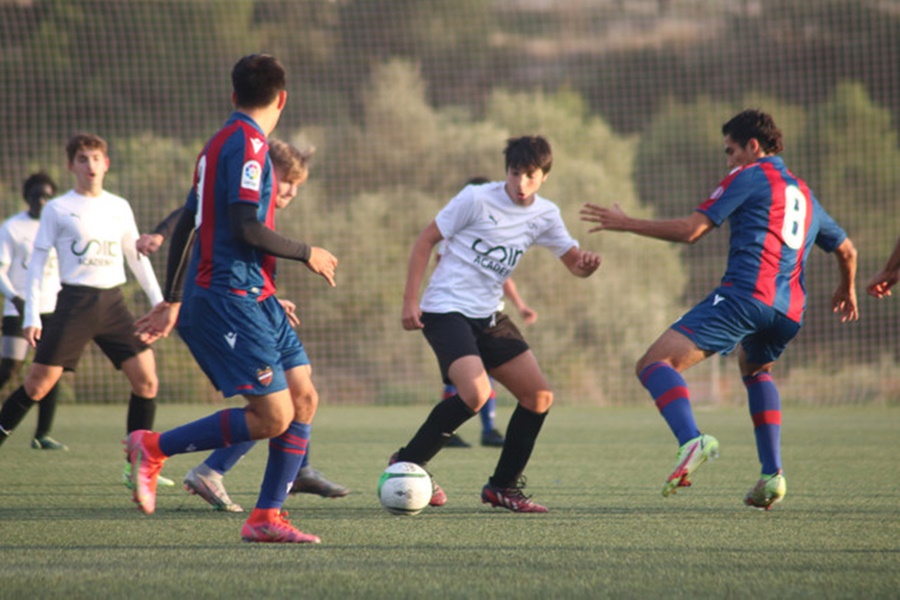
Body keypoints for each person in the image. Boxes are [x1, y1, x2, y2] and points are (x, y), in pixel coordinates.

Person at [580, 109, 858, 510]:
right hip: (790, 311)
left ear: (753, 146)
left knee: (653, 364)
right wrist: (846, 288)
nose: (728, 160)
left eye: (731, 151)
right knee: (756, 369)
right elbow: (847, 249)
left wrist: (626, 223)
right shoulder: (805, 193)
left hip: (746, 296)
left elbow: (691, 231)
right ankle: (772, 476)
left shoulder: (749, 175)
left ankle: (691, 440)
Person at [129, 54, 339, 544]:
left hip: (257, 294)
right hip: (229, 297)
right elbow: (245, 227)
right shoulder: (246, 145)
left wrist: (172, 295)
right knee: (273, 415)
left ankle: (266, 517)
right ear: (282, 99)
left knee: (304, 396)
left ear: (233, 95)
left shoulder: (218, 143)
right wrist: (308, 253)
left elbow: (187, 220)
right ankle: (153, 446)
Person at [396, 135, 601, 513]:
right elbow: (425, 240)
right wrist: (411, 301)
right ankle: (408, 463)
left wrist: (584, 266)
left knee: (539, 397)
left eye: (530, 176)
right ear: (506, 171)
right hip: (445, 309)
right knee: (475, 394)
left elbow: (573, 263)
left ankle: (503, 487)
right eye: (515, 173)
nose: (520, 184)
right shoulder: (475, 199)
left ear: (544, 177)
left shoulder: (546, 214)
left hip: (490, 315)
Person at [0, 135, 173, 492]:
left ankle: (137, 467)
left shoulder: (119, 206)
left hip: (113, 304)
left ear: (106, 163)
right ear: (71, 166)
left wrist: (160, 303)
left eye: (96, 158)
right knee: (36, 385)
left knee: (146, 380)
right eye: (82, 159)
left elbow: (135, 257)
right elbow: (36, 264)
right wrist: (31, 314)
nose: (90, 165)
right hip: (74, 304)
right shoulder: (58, 208)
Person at [436, 178, 539, 449]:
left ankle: (488, 429)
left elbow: (503, 276)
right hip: (456, 313)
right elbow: (442, 265)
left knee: (486, 376)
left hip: (488, 315)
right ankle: (450, 431)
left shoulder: (496, 234)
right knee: (460, 379)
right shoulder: (453, 233)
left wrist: (520, 305)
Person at [0, 173, 67, 450]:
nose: (41, 200)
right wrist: (15, 298)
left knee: (51, 367)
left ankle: (42, 434)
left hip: (53, 307)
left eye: (47, 195)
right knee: (10, 366)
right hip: (20, 309)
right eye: (36, 195)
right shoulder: (12, 227)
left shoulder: (59, 227)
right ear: (26, 197)